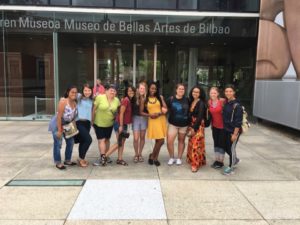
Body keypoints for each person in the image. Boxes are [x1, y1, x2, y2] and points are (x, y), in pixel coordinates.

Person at [48, 85, 78, 170]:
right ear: (68, 92)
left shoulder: (75, 103)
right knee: (58, 143)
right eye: (72, 92)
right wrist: (60, 130)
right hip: (58, 123)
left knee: (71, 142)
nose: (74, 94)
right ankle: (58, 162)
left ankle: (67, 160)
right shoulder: (63, 101)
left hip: (68, 124)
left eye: (75, 92)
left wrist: (73, 128)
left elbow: (73, 117)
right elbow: (59, 117)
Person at [105, 86, 136, 166]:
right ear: (126, 91)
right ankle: (104, 157)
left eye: (133, 91)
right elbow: (121, 113)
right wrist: (121, 126)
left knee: (121, 142)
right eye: (129, 91)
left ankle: (120, 159)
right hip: (120, 124)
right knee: (119, 142)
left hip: (124, 124)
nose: (131, 92)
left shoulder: (129, 100)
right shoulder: (126, 100)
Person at [140, 81, 167, 166]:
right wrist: (150, 114)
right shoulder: (144, 99)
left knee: (160, 140)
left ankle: (153, 157)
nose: (153, 90)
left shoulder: (160, 97)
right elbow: (141, 112)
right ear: (148, 88)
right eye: (152, 88)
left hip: (161, 119)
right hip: (153, 121)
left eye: (155, 89)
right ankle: (153, 157)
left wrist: (162, 100)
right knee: (160, 140)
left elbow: (165, 109)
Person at [92, 84, 120, 166]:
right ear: (106, 91)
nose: (113, 92)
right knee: (101, 140)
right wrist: (92, 120)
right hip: (99, 123)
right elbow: (94, 109)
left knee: (107, 140)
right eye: (111, 90)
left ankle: (106, 156)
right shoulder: (100, 97)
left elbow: (118, 112)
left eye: (114, 91)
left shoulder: (117, 100)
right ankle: (102, 157)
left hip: (110, 124)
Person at [166, 83, 189, 166]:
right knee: (169, 141)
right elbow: (165, 108)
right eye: (179, 89)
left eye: (183, 89)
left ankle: (179, 158)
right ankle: (171, 157)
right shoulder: (171, 99)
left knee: (181, 141)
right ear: (176, 90)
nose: (181, 90)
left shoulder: (187, 99)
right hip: (173, 124)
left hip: (184, 125)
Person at [222, 84, 243, 175]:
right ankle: (235, 159)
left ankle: (231, 167)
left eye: (230, 91)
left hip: (233, 131)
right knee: (225, 146)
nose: (228, 93)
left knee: (231, 149)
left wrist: (235, 134)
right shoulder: (227, 102)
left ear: (234, 92)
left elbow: (238, 122)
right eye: (226, 91)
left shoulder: (237, 105)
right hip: (226, 129)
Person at [186, 85, 207, 172]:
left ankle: (195, 164)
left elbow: (200, 117)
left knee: (196, 144)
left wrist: (194, 128)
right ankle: (199, 160)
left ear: (200, 93)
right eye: (194, 91)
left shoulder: (201, 103)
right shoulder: (192, 101)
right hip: (192, 125)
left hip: (198, 126)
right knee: (192, 143)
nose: (195, 93)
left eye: (197, 92)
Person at [75, 83, 93, 167]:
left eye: (89, 90)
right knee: (88, 139)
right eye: (85, 90)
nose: (87, 92)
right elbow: (71, 94)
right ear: (82, 90)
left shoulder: (92, 100)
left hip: (87, 123)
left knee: (83, 141)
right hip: (79, 122)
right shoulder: (79, 97)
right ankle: (81, 159)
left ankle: (80, 158)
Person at [208, 87, 226, 169]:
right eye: (211, 93)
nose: (213, 94)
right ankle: (217, 160)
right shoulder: (209, 102)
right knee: (216, 143)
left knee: (221, 143)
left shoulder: (222, 101)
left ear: (218, 94)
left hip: (223, 127)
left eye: (214, 93)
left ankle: (221, 161)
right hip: (214, 126)